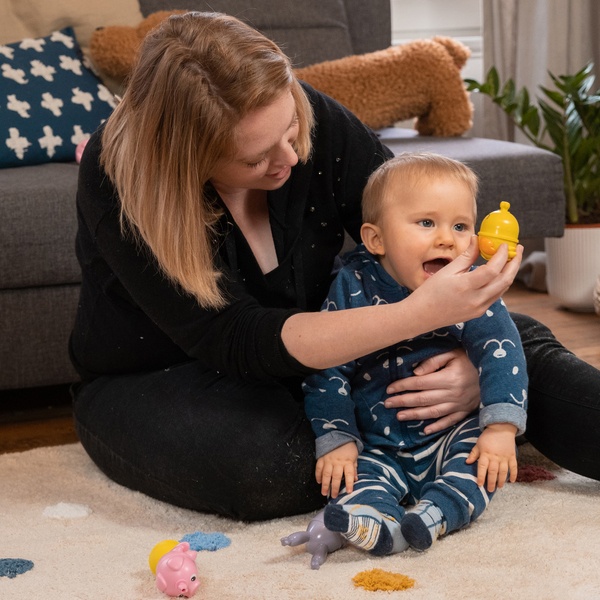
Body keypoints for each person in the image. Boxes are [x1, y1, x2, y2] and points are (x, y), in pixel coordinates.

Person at [70, 11, 600, 523]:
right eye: (256, 159)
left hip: (338, 356)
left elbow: (408, 226)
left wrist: (473, 362)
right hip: (172, 375)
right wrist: (417, 320)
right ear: (189, 158)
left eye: (290, 127)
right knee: (275, 462)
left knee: (513, 341)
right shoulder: (120, 178)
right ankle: (431, 435)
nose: (291, 158)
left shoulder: (308, 119)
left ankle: (461, 418)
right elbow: (235, 340)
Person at [303, 153, 528, 555]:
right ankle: (376, 522)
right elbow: (327, 367)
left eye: (461, 226)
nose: (447, 239)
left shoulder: (468, 286)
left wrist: (500, 429)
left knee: (480, 464)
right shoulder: (351, 286)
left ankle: (436, 513)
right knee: (357, 478)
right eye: (427, 223)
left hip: (451, 433)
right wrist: (337, 437)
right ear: (376, 240)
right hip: (378, 443)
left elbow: (502, 350)